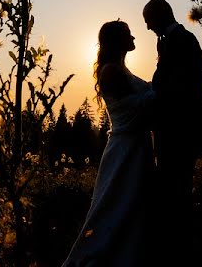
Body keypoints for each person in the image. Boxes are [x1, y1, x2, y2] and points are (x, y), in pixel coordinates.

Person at [63, 20, 156, 267]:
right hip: (126, 152)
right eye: (128, 34)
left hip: (137, 147)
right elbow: (138, 106)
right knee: (116, 206)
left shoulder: (120, 69)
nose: (134, 37)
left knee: (133, 208)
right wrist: (158, 89)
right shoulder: (111, 72)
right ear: (118, 40)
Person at [143, 0, 202, 262]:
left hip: (180, 133)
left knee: (178, 193)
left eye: (148, 20)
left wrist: (150, 97)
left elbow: (180, 89)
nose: (147, 27)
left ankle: (180, 250)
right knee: (173, 192)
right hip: (171, 133)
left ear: (161, 14)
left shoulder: (183, 40)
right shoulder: (168, 40)